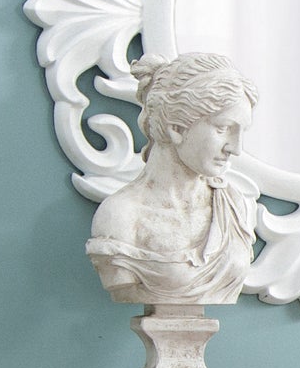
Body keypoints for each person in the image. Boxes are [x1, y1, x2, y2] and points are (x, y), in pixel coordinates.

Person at [88, 53, 259, 306]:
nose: (235, 149)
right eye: (223, 128)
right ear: (176, 128)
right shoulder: (121, 217)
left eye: (241, 132)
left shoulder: (235, 207)